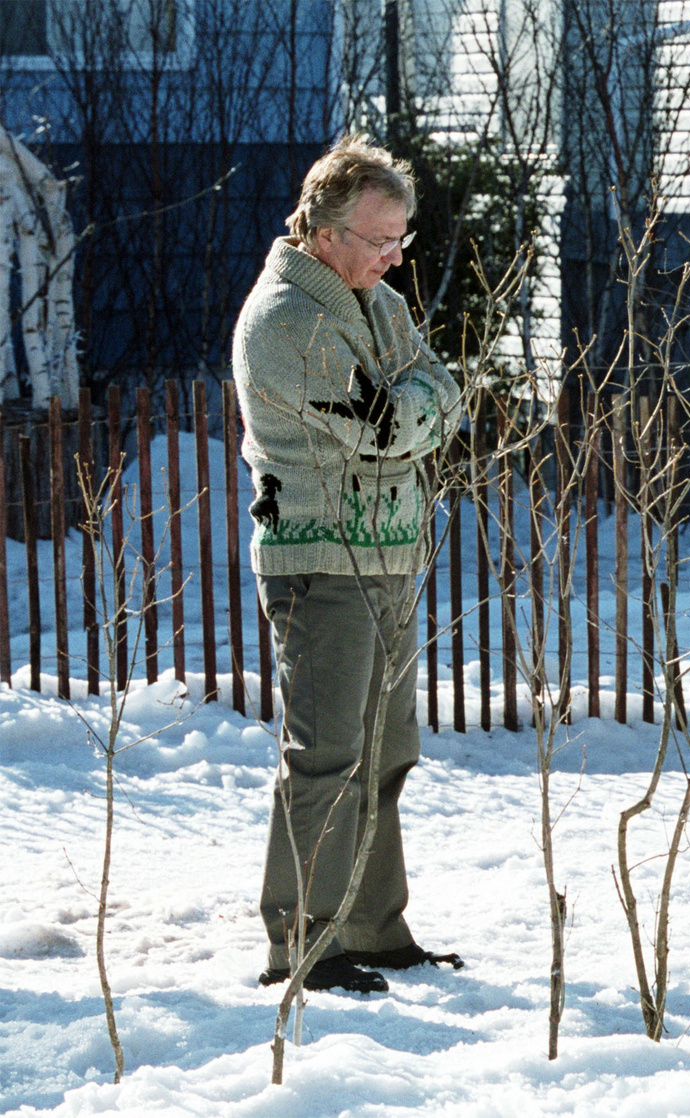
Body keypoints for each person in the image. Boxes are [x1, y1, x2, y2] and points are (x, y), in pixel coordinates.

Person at [233, 134, 464, 995]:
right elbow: (386, 429)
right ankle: (303, 943)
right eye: (380, 240)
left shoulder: (380, 304)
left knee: (386, 750)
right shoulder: (286, 320)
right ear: (326, 233)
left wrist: (422, 403)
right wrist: (420, 407)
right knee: (328, 754)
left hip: (389, 555)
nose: (395, 256)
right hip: (319, 561)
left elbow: (444, 390)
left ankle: (371, 925)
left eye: (401, 237)